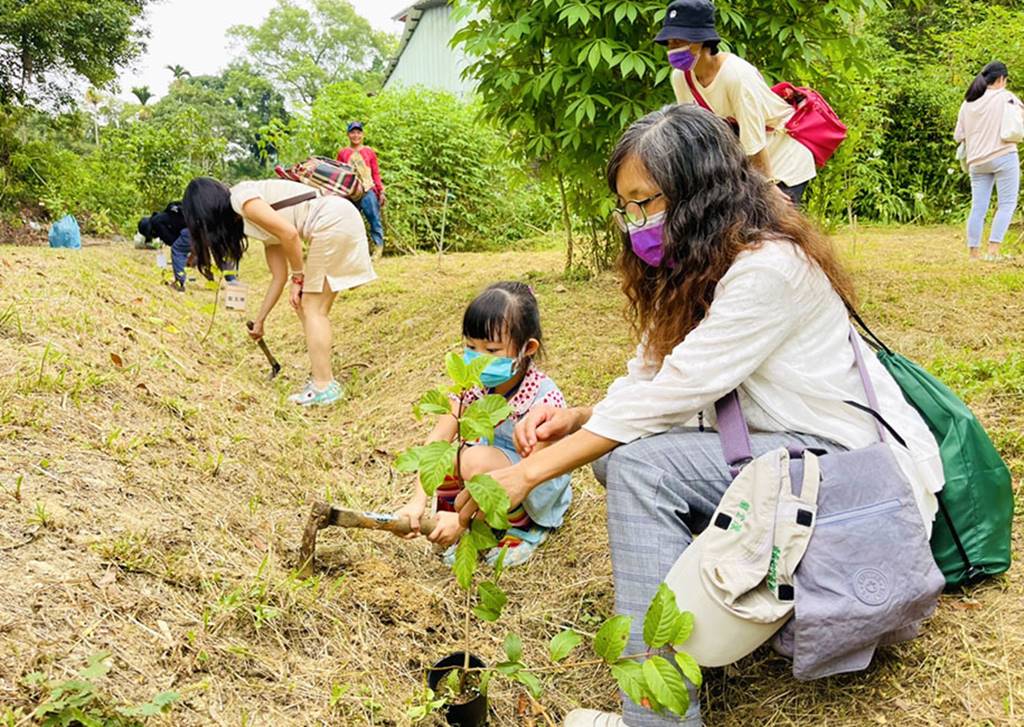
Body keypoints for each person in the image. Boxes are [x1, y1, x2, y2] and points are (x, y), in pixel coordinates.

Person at [452, 105, 944, 727]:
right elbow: (651, 373)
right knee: (620, 462)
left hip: (845, 472)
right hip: (788, 452)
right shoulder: (699, 265)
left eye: (646, 203)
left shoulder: (766, 270)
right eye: (626, 207)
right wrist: (580, 417)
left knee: (639, 469)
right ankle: (715, 603)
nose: (636, 223)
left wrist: (525, 474)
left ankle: (656, 719)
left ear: (697, 193)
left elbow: (674, 394)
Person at [395, 282, 572, 567]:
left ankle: (523, 527)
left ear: (527, 348)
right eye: (470, 347)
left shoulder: (543, 399)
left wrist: (463, 521)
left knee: (475, 459)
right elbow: (436, 443)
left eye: (492, 349)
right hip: (491, 474)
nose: (479, 359)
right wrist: (418, 499)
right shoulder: (469, 389)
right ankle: (460, 520)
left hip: (533, 482)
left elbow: (536, 470)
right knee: (448, 457)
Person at [183, 177, 377, 406]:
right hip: (340, 218)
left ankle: (324, 385)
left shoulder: (241, 199)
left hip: (332, 221)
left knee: (313, 309)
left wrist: (299, 277)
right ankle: (322, 374)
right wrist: (260, 320)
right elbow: (278, 276)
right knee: (309, 307)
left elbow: (290, 235)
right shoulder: (253, 221)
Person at [656, 0, 815, 206]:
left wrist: (767, 186)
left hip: (782, 153)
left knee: (775, 228)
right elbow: (696, 133)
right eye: (669, 43)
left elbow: (754, 141)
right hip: (743, 158)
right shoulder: (680, 77)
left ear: (701, 40)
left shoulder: (736, 76)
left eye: (678, 41)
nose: (672, 49)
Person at [954, 61, 1024, 261]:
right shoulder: (1006, 98)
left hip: (977, 161)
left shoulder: (968, 103)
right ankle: (993, 251)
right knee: (1007, 204)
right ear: (1001, 79)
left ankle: (973, 254)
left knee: (978, 206)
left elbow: (959, 135)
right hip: (1004, 155)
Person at [138, 202, 238, 291]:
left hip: (192, 228)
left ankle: (179, 283)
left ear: (149, 230)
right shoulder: (168, 213)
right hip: (207, 223)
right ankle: (232, 280)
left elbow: (174, 243)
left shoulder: (156, 222)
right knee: (217, 251)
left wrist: (187, 257)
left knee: (177, 250)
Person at [337, 121, 386, 260]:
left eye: (358, 132)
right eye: (353, 132)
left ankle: (378, 249)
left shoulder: (369, 152)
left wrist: (380, 191)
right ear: (348, 134)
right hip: (350, 192)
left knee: (374, 220)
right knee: (349, 222)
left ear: (362, 134)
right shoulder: (343, 153)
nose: (355, 135)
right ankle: (352, 251)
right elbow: (339, 173)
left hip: (367, 190)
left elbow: (375, 173)